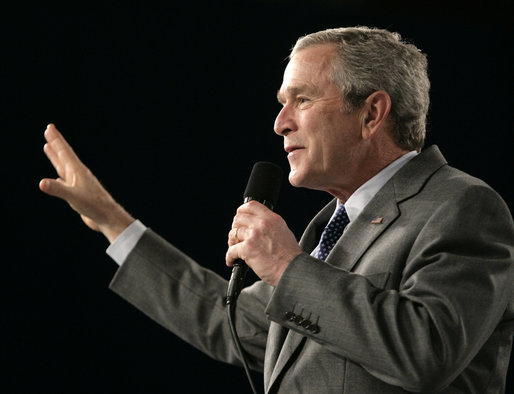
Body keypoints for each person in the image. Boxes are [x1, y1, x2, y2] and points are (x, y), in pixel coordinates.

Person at [39, 27, 513, 393]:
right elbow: (221, 317)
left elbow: (426, 350)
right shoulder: (330, 227)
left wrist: (287, 266)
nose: (280, 123)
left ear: (372, 113)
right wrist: (110, 220)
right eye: (283, 104)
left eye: (302, 101)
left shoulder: (461, 206)